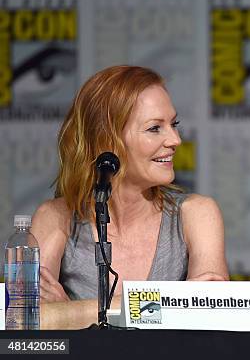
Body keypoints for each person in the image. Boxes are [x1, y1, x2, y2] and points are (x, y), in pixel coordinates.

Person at [32, 65, 229, 329]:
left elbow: (210, 312)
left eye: (174, 124)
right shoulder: (55, 216)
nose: (176, 140)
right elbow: (26, 317)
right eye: (154, 128)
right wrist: (170, 305)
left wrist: (71, 311)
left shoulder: (197, 213)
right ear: (107, 140)